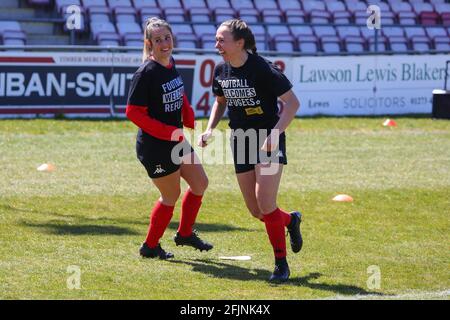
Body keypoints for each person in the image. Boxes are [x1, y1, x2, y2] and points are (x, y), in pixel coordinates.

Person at [199, 19, 303, 282]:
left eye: (222, 39)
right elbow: (220, 102)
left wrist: (274, 134)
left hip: (267, 139)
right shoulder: (221, 70)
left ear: (240, 42)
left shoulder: (262, 68)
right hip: (241, 140)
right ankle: (290, 221)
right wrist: (210, 128)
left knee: (266, 204)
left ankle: (281, 265)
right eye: (216, 39)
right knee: (256, 211)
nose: (217, 44)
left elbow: (292, 103)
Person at [126, 17, 213, 260]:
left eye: (167, 38)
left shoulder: (169, 62)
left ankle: (185, 233)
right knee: (170, 196)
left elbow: (178, 91)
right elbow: (133, 113)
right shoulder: (145, 73)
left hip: (175, 140)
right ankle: (150, 246)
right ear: (149, 43)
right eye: (158, 40)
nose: (164, 43)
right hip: (155, 147)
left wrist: (187, 113)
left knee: (200, 183)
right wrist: (168, 132)